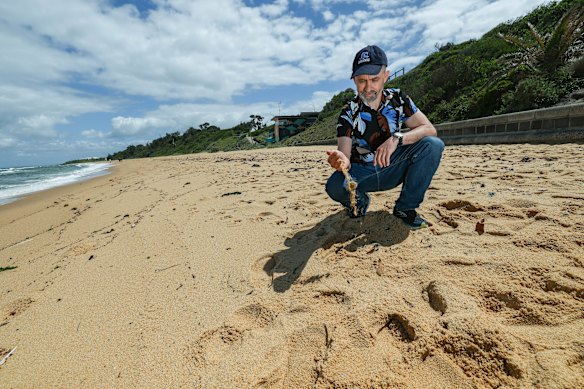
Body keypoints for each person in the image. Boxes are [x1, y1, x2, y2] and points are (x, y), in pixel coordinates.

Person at [325, 45, 444, 229]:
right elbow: (345, 156)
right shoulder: (347, 113)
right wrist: (341, 161)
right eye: (361, 81)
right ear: (354, 81)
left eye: (374, 79)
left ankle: (406, 208)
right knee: (334, 185)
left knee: (433, 145)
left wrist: (397, 138)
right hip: (364, 173)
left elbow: (429, 129)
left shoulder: (398, 99)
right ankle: (359, 201)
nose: (368, 87)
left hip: (393, 166)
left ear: (385, 76)